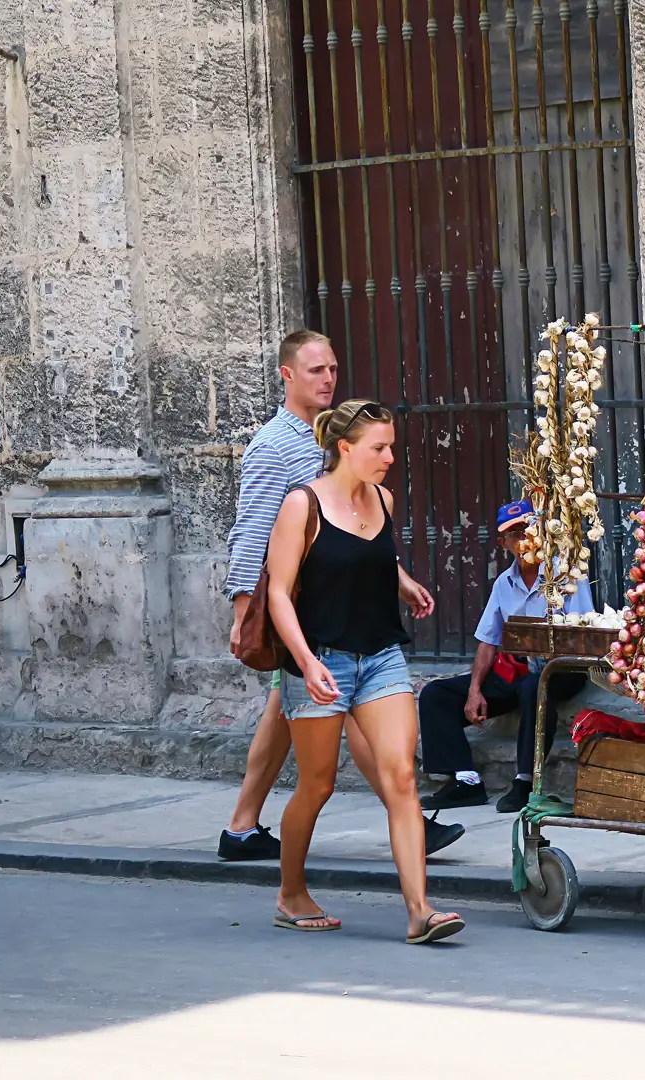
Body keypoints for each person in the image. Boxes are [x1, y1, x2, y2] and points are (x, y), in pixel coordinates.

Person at [218, 330, 462, 861]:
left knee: (292, 707)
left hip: (332, 607)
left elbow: (350, 526)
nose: (328, 378)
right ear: (287, 374)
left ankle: (240, 827)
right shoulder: (274, 447)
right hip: (302, 612)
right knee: (335, 703)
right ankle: (409, 815)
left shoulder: (335, 437)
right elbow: (252, 530)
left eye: (331, 368)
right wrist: (245, 612)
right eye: (314, 370)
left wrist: (396, 575)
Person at [262, 400, 464, 942]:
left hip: (380, 656)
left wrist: (402, 580)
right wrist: (304, 663)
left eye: (391, 446)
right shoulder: (301, 505)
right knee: (318, 785)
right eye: (379, 448)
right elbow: (279, 593)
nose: (390, 458)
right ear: (345, 448)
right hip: (321, 658)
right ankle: (290, 892)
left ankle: (420, 910)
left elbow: (369, 553)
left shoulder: (383, 499)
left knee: (401, 777)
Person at [417, 500, 594, 813]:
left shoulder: (565, 574)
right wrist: (474, 691)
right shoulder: (504, 583)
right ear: (504, 543)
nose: (523, 538)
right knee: (436, 694)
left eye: (528, 529)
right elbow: (488, 641)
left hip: (562, 669)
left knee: (533, 688)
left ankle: (525, 780)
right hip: (517, 670)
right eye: (514, 534)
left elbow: (582, 633)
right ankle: (465, 780)